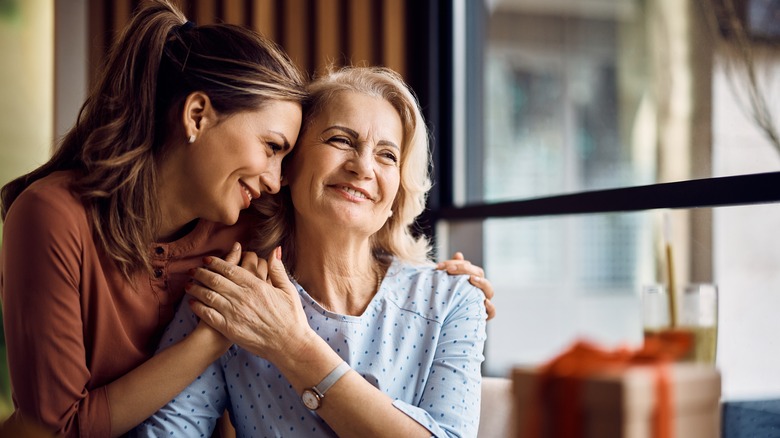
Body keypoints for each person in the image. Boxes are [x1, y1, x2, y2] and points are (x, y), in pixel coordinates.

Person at [0, 1, 493, 436]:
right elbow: (66, 427)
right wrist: (215, 338)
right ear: (197, 116)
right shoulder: (236, 268)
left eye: (388, 155)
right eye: (339, 140)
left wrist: (451, 287)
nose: (275, 179)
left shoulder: (244, 225)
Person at [133, 66, 488, 438]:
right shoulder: (235, 294)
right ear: (288, 166)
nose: (362, 166)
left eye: (387, 155)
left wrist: (293, 346)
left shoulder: (453, 299)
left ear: (398, 192)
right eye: (341, 140)